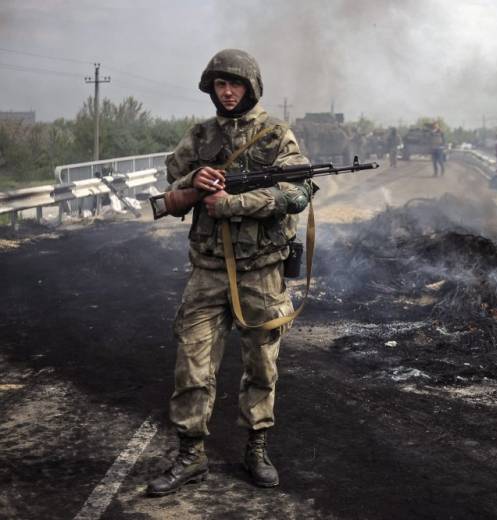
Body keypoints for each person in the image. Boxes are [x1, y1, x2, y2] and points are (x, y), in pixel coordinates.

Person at [146, 49, 314, 496]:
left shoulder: (277, 136)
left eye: (235, 83)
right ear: (211, 89)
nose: (227, 91)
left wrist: (235, 203)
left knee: (261, 366)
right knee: (192, 366)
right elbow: (171, 187)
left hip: (261, 272)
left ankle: (256, 448)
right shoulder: (199, 136)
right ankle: (190, 455)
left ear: (251, 87)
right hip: (208, 271)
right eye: (220, 84)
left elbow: (298, 193)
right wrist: (194, 183)